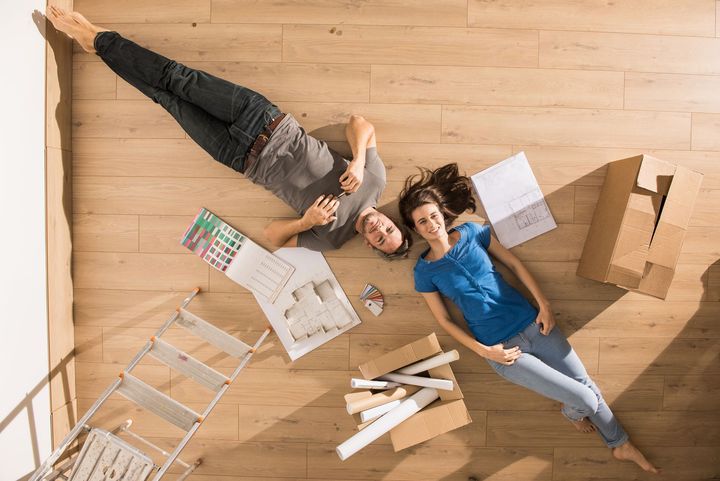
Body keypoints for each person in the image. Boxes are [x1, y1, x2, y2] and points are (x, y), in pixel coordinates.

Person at [46, 6, 411, 257]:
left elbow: (272, 237)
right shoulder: (375, 180)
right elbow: (359, 123)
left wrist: (306, 221)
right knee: (177, 77)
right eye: (389, 231)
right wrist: (360, 161)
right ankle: (97, 37)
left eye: (380, 240)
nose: (380, 231)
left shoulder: (331, 239)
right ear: (392, 222)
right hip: (264, 120)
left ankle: (99, 46)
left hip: (239, 158)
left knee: (165, 99)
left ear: (370, 245)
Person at [398, 163, 659, 474]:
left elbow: (514, 264)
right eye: (422, 221)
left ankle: (620, 445)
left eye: (433, 216)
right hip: (503, 350)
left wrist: (544, 305)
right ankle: (575, 415)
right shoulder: (424, 271)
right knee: (586, 399)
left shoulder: (472, 232)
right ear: (415, 228)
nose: (431, 224)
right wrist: (485, 351)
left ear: (442, 214)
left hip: (534, 324)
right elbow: (445, 321)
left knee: (585, 384)